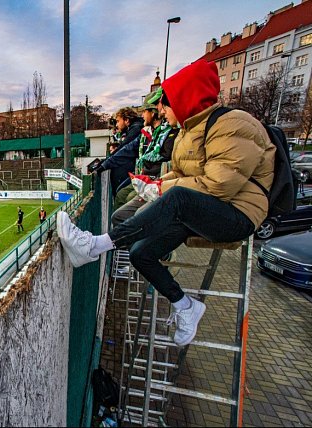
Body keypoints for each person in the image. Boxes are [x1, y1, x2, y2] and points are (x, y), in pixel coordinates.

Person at [57, 59, 275, 347]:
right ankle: (186, 306)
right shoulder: (190, 130)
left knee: (175, 197)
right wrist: (151, 186)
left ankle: (92, 247)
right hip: (201, 209)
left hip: (237, 215)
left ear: (186, 100)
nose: (160, 110)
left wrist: (162, 187)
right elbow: (185, 174)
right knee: (140, 252)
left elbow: (218, 185)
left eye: (165, 104)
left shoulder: (234, 124)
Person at [112, 90, 180, 223]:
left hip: (156, 181)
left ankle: (127, 237)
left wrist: (152, 183)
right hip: (148, 178)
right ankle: (120, 239)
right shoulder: (150, 132)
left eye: (144, 111)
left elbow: (165, 159)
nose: (142, 115)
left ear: (153, 112)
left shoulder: (170, 132)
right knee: (121, 196)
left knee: (129, 204)